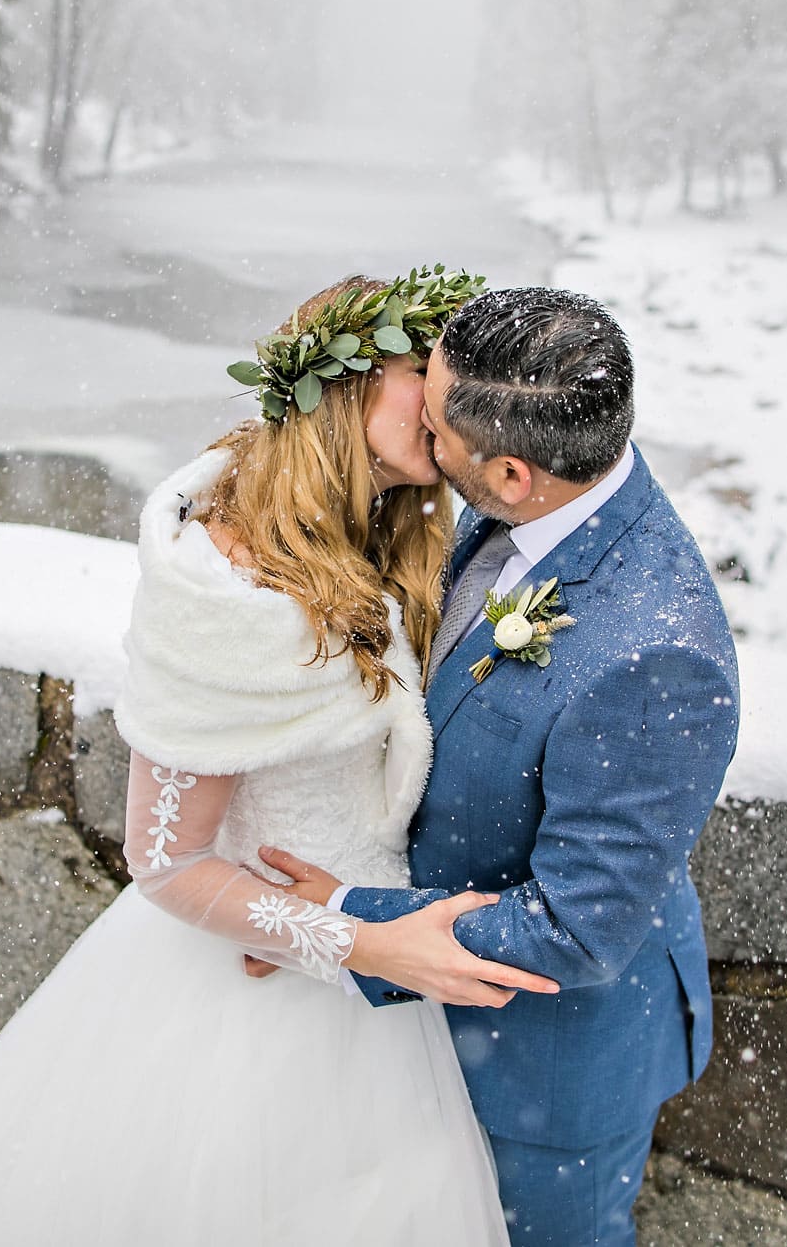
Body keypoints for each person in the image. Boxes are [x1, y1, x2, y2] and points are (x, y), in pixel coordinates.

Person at [0, 269, 551, 1247]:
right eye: (424, 369)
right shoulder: (225, 578)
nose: (452, 398)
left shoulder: (389, 535)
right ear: (343, 380)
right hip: (264, 990)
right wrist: (353, 941)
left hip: (368, 967)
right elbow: (165, 859)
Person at [259, 285, 742, 1246]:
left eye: (432, 429)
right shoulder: (550, 487)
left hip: (549, 1075)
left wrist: (345, 922)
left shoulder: (656, 658)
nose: (413, 437)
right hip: (438, 1032)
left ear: (513, 474)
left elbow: (577, 926)